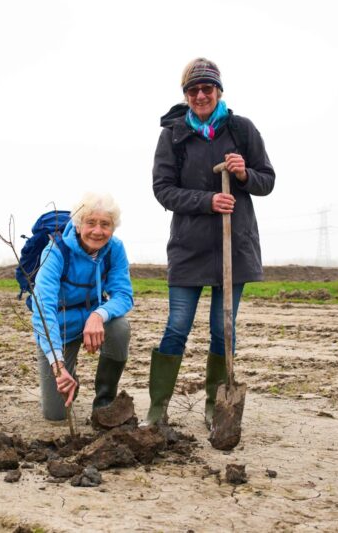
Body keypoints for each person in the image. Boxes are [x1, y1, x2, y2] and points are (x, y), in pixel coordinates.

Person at [146, 57, 276, 427]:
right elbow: (163, 190)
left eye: (207, 88)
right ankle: (158, 408)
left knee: (223, 328)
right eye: (193, 90)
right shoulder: (173, 135)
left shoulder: (241, 129)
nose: (201, 95)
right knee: (177, 325)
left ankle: (214, 405)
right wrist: (206, 202)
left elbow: (267, 181)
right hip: (189, 247)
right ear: (185, 95)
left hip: (233, 246)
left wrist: (243, 173)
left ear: (219, 91)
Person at [31, 192, 134, 421]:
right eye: (91, 223)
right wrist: (58, 365)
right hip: (60, 324)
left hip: (92, 320)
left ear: (112, 228)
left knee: (119, 328)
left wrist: (99, 314)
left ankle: (104, 404)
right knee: (56, 415)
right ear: (78, 225)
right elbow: (42, 308)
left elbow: (124, 295)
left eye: (105, 224)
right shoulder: (55, 251)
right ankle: (70, 375)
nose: (98, 231)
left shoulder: (115, 249)